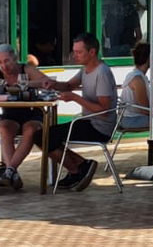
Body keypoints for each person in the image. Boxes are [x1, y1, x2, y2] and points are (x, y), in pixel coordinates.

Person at [36, 32, 118, 192]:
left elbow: (104, 110)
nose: (75, 56)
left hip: (100, 127)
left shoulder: (102, 73)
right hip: (88, 122)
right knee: (45, 136)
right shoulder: (85, 69)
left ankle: (77, 169)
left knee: (44, 137)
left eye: (79, 52)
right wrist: (53, 84)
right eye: (74, 51)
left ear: (92, 52)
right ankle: (81, 166)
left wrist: (74, 98)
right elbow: (68, 85)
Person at [0, 43, 51, 189]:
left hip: (32, 112)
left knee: (30, 130)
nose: (3, 66)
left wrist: (25, 84)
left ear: (15, 59)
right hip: (10, 113)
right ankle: (13, 173)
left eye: (7, 61)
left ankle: (9, 170)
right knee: (4, 128)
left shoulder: (26, 69)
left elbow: (47, 82)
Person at [118, 42, 153, 166]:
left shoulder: (137, 75)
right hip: (131, 119)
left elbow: (145, 107)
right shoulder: (138, 79)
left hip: (131, 117)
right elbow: (144, 109)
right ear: (148, 58)